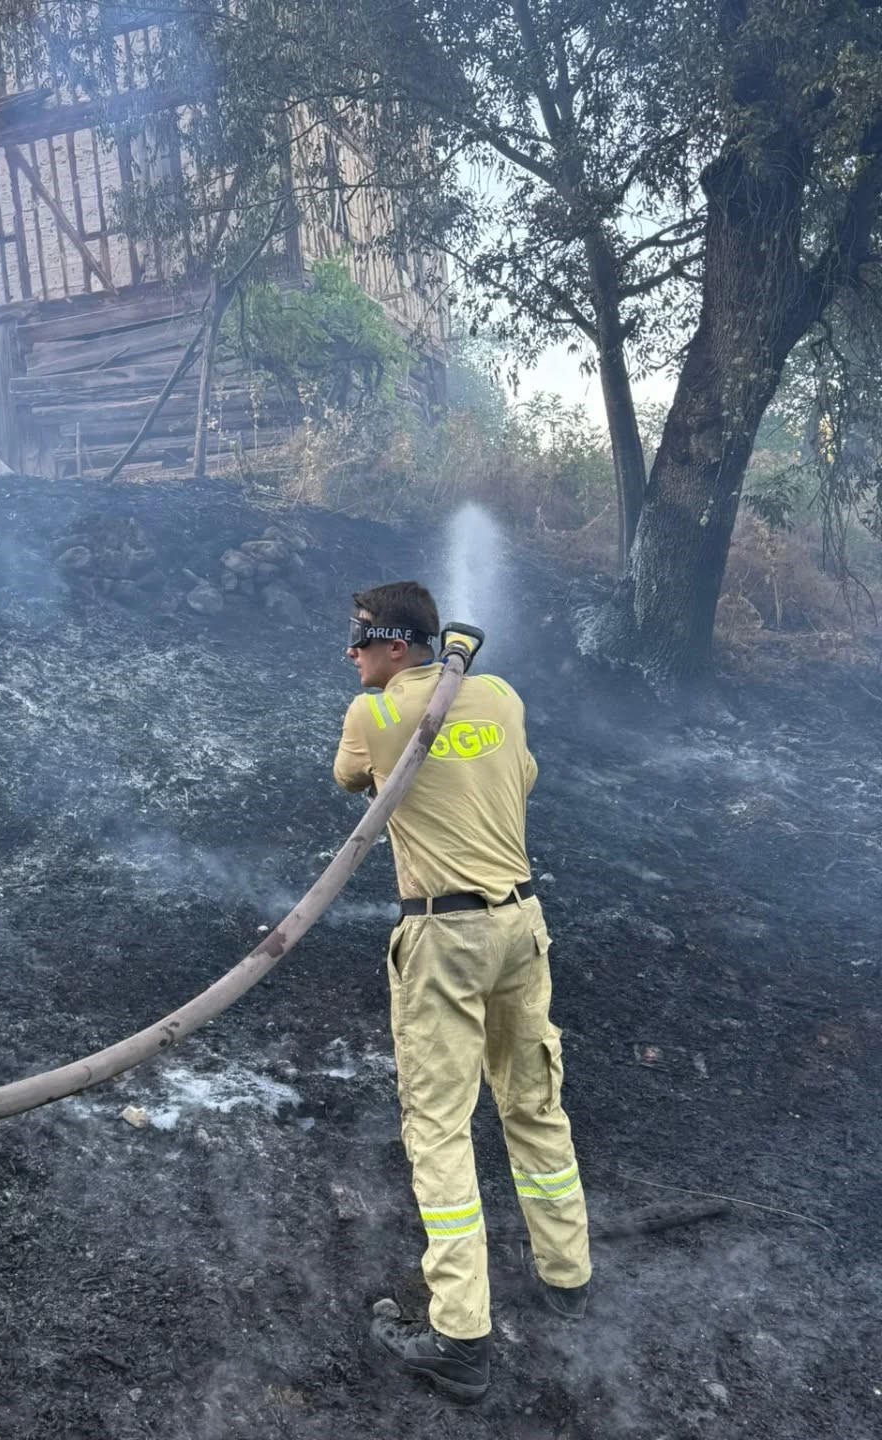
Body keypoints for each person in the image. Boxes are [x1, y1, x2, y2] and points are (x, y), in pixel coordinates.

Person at [333, 580, 589, 1403]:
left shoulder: (372, 717)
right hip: (521, 923)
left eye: (362, 638)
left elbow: (352, 782)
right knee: (534, 1100)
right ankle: (567, 1273)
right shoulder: (504, 697)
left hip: (442, 936)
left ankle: (459, 1336)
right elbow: (525, 777)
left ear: (400, 644)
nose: (352, 654)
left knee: (439, 1128)